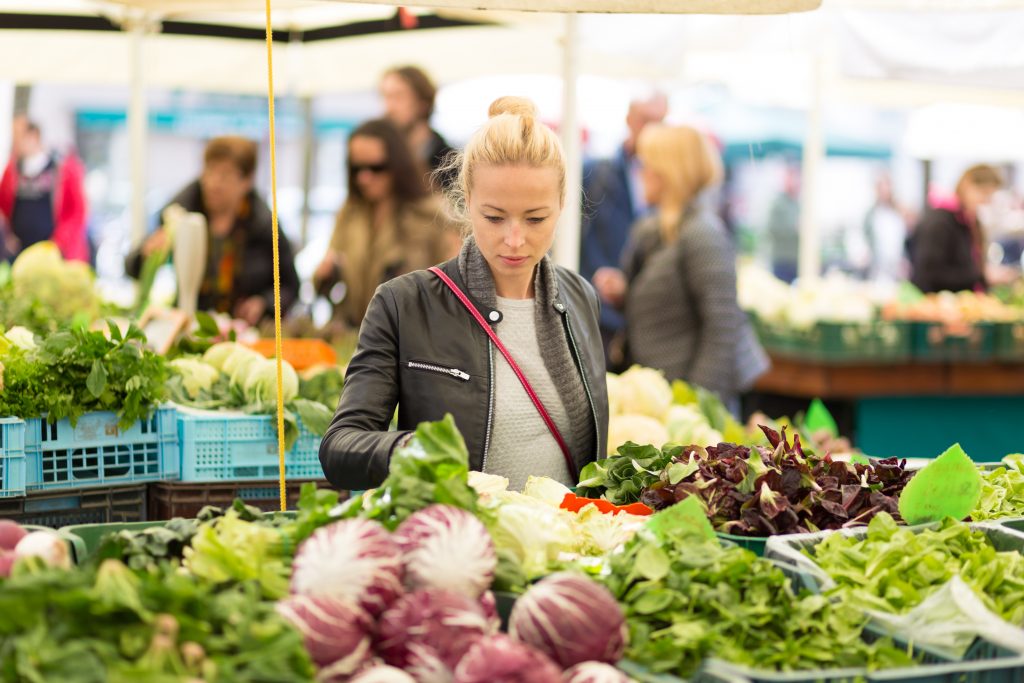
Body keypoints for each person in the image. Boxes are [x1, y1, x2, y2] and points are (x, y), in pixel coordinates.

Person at [319, 96, 608, 492]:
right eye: (494, 217)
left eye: (536, 218)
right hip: (458, 542)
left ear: (561, 206)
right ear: (466, 202)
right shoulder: (404, 303)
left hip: (568, 544)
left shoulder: (579, 298)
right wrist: (415, 451)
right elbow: (340, 446)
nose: (514, 239)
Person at [593, 124, 768, 412]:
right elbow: (670, 305)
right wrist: (624, 293)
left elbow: (723, 327)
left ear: (668, 172)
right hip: (663, 395)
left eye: (646, 164)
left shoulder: (702, 234)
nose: (640, 172)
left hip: (686, 402)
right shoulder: (657, 229)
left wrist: (695, 404)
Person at [127, 135, 299, 325]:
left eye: (225, 175)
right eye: (209, 171)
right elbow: (131, 267)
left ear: (247, 181)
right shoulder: (180, 212)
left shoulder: (264, 224)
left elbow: (291, 286)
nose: (213, 183)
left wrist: (264, 304)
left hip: (244, 332)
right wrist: (146, 253)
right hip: (189, 326)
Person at [313, 118, 459, 329]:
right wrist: (324, 274)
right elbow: (326, 277)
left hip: (410, 341)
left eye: (376, 167)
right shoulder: (349, 214)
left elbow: (451, 291)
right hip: (355, 337)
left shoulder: (431, 216)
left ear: (397, 165)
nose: (364, 177)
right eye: (356, 168)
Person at [579, 92, 668, 369]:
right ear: (629, 120)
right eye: (645, 120)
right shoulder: (596, 173)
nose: (651, 129)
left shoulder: (670, 180)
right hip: (598, 314)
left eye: (659, 121)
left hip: (643, 321)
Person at [0, 116, 89, 262]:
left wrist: (60, 241)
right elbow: (3, 206)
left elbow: (77, 211)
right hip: (19, 251)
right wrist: (8, 236)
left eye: (18, 136)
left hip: (53, 253)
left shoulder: (63, 169)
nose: (15, 142)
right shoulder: (12, 171)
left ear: (33, 135)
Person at [911, 164, 1004, 294]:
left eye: (989, 196)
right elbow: (929, 274)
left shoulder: (970, 220)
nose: (985, 201)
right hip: (939, 305)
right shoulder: (940, 221)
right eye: (983, 193)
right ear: (967, 185)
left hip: (965, 303)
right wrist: (981, 276)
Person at [380, 65, 454, 186]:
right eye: (385, 97)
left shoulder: (449, 164)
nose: (389, 107)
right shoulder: (380, 162)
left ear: (423, 103)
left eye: (398, 96)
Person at [862, 172, 908, 282]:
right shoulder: (871, 214)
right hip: (877, 266)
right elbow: (866, 238)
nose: (884, 190)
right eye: (881, 187)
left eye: (886, 186)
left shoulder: (898, 212)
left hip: (897, 264)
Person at [765, 164, 801, 283]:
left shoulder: (798, 203)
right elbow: (771, 229)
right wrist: (793, 228)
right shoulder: (777, 203)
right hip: (782, 258)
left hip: (797, 258)